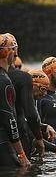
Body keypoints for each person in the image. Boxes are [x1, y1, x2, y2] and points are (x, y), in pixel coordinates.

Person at [0, 33, 31, 168]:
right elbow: (9, 118)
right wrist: (21, 153)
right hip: (3, 143)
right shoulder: (4, 81)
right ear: (9, 52)